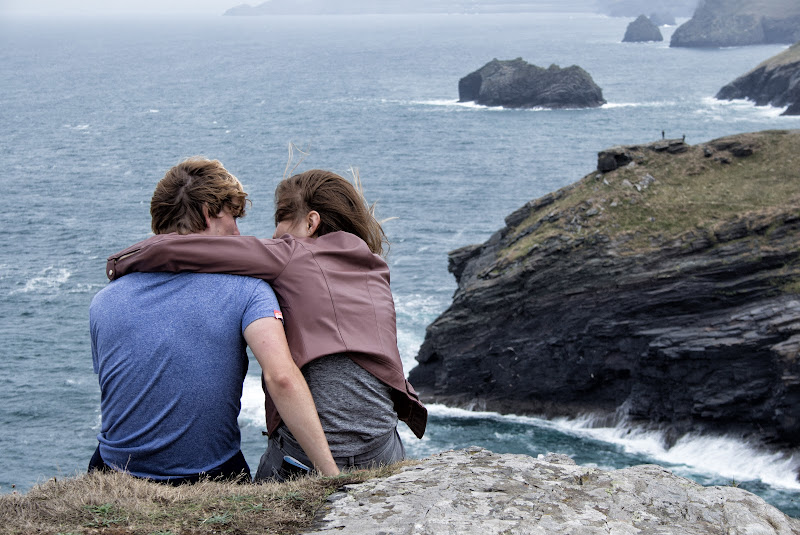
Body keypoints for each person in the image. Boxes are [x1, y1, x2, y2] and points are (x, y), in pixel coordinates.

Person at [105, 169, 428, 482]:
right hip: (384, 450)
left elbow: (189, 249)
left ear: (311, 222)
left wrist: (121, 262)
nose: (274, 235)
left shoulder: (291, 254)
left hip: (311, 459)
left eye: (281, 220)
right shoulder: (375, 269)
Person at [90, 158, 339, 484]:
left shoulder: (104, 300)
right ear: (209, 213)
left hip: (111, 471)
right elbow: (282, 378)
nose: (238, 232)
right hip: (208, 475)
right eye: (233, 217)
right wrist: (333, 475)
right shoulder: (248, 290)